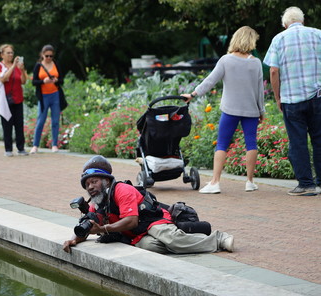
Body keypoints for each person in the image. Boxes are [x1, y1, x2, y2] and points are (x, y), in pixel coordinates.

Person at [63, 155, 234, 254]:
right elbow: (86, 226)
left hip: (153, 222)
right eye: (87, 185)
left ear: (106, 181)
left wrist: (102, 230)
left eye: (94, 181)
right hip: (138, 235)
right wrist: (73, 240)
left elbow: (131, 221)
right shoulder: (96, 204)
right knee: (152, 247)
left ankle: (218, 238)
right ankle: (192, 242)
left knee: (171, 239)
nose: (90, 187)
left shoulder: (122, 189)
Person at [182, 26, 265, 194]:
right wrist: (261, 111)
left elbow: (210, 80)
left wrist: (193, 93)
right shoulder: (255, 63)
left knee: (222, 143)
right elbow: (259, 90)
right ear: (250, 41)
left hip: (230, 109)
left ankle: (215, 182)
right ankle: (249, 182)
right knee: (251, 143)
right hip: (251, 110)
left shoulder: (226, 60)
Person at [264, 7, 321, 196]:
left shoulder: (279, 39)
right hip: (317, 96)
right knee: (319, 140)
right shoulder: (317, 34)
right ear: (302, 20)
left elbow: (273, 71)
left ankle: (306, 184)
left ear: (285, 24)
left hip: (292, 99)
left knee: (298, 142)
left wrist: (278, 97)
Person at [0, 44, 28, 157]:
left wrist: (22, 70)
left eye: (12, 52)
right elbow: (3, 78)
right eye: (8, 53)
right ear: (1, 54)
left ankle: (21, 148)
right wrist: (13, 66)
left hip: (18, 98)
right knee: (7, 124)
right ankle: (8, 149)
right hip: (5, 100)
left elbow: (23, 81)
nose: (11, 55)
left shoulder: (17, 66)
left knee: (19, 124)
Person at [30, 44, 65, 154]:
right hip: (43, 96)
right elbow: (34, 82)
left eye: (51, 56)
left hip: (55, 95)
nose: (49, 58)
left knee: (55, 121)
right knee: (41, 120)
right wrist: (43, 81)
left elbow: (61, 80)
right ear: (42, 55)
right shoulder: (38, 66)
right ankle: (35, 145)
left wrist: (56, 80)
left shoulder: (56, 64)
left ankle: (54, 144)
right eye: (46, 56)